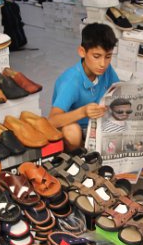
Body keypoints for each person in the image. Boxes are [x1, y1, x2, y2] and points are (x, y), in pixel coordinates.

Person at [49, 23, 119, 151]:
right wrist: (83, 112)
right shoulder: (71, 81)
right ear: (82, 52)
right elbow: (52, 120)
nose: (103, 64)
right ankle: (77, 155)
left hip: (98, 126)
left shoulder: (106, 70)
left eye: (108, 57)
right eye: (96, 56)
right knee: (72, 131)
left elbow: (119, 93)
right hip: (78, 129)